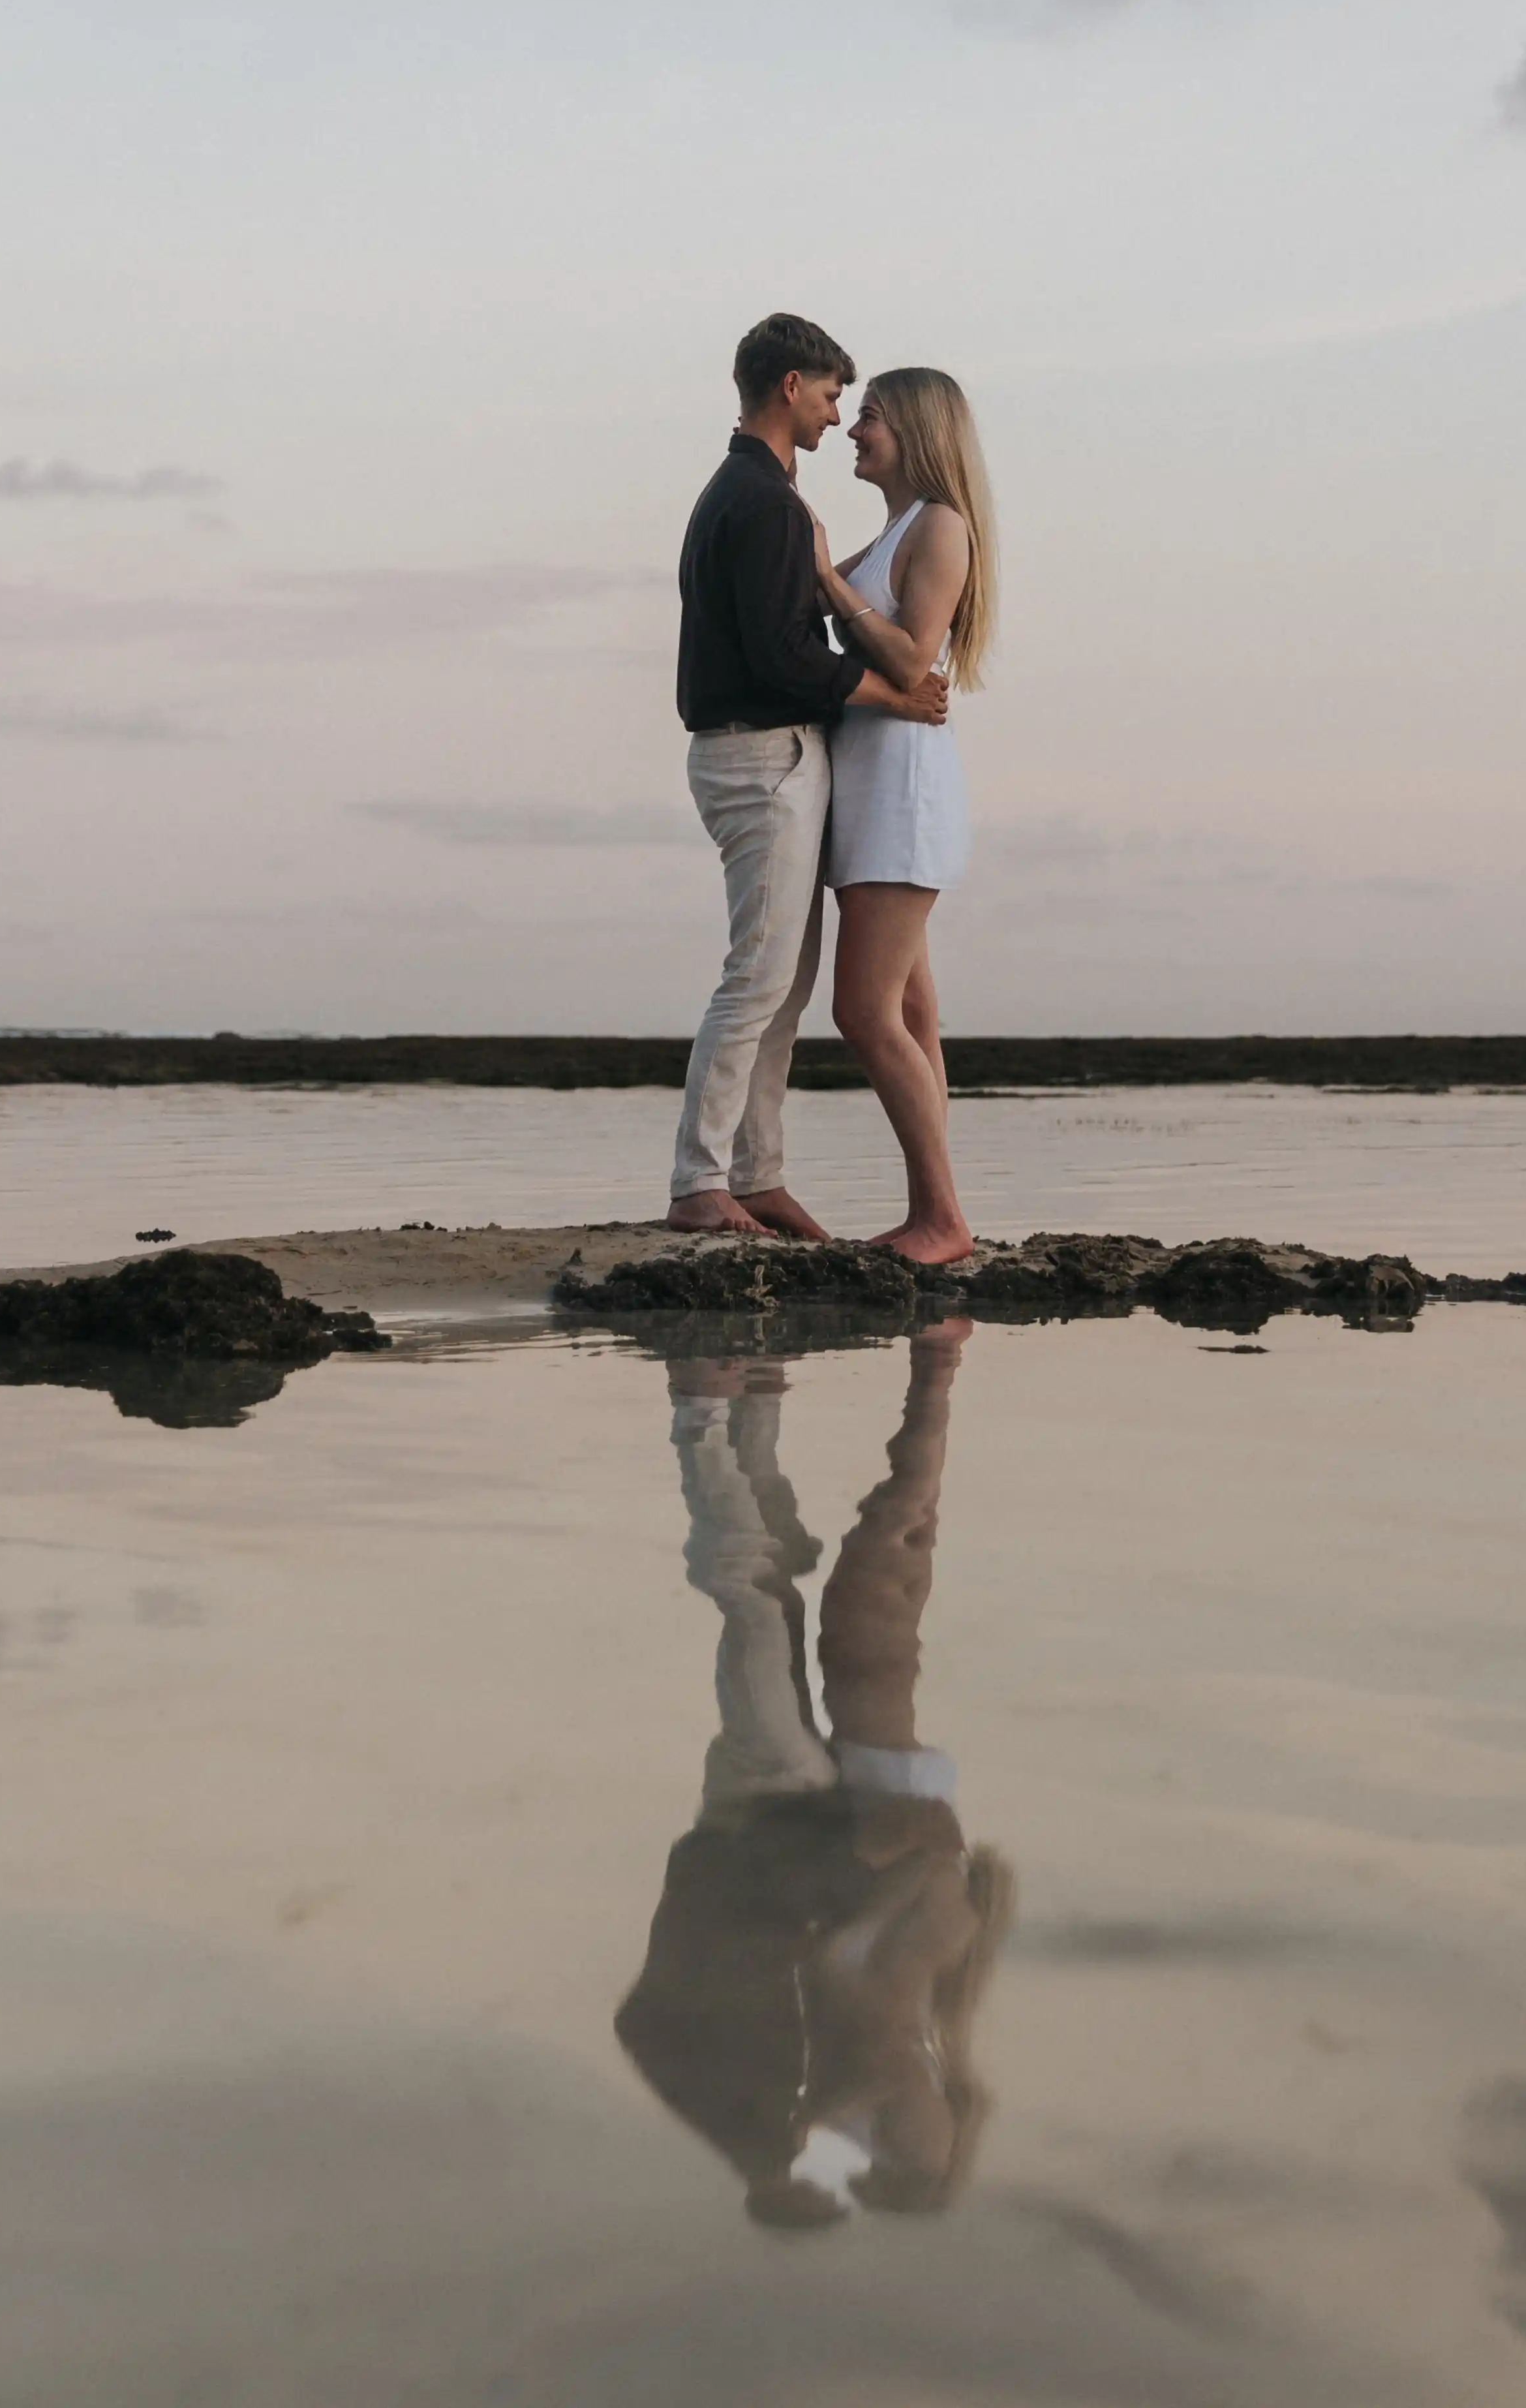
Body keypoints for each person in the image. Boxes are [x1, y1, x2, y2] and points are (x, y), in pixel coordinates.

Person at [615, 1320, 1013, 2230]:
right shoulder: (909, 2013)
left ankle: (726, 1404)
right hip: (806, 1818)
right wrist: (788, 2151)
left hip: (784, 1815)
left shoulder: (918, 2010)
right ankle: (728, 1402)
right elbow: (854, 1964)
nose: (878, 2121)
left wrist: (779, 2157)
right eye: (899, 2133)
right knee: (768, 1593)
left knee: (763, 1601)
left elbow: (859, 1947)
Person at [668, 315, 947, 1239]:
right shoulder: (763, 503)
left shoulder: (754, 494)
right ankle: (701, 1180)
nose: (836, 419)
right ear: (790, 388)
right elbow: (782, 656)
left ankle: (754, 1175)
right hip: (762, 752)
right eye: (831, 396)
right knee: (758, 976)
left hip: (766, 751)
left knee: (781, 982)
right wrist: (888, 695)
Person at [808, 368, 997, 1264]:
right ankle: (937, 1212)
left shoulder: (941, 526)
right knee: (913, 1017)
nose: (852, 430)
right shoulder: (890, 533)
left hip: (903, 793)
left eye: (870, 417)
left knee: (863, 1011)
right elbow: (802, 597)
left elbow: (913, 656)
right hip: (871, 786)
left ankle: (941, 1219)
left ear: (917, 429)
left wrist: (832, 586)